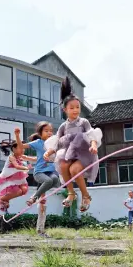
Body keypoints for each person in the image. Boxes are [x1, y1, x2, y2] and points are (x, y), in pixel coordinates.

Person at [44, 77, 102, 212]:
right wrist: (49, 152)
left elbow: (91, 135)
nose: (75, 110)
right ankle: (71, 193)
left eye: (78, 107)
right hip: (69, 154)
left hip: (83, 153)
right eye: (72, 108)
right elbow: (57, 142)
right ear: (65, 109)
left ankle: (86, 196)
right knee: (63, 165)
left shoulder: (83, 122)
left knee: (74, 170)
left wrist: (93, 145)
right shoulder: (63, 127)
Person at [15, 122, 59, 238]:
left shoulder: (54, 144)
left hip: (50, 174)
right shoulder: (38, 143)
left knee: (55, 181)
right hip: (40, 173)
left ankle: (41, 230)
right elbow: (21, 146)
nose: (50, 133)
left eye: (51, 131)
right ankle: (34, 198)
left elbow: (38, 158)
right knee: (44, 199)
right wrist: (17, 136)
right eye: (46, 131)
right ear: (40, 133)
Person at [0, 140, 35, 212]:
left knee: (24, 190)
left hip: (18, 177)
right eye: (20, 148)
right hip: (9, 176)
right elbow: (16, 166)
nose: (23, 150)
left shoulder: (21, 157)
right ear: (14, 149)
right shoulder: (11, 157)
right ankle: (1, 199)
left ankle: (5, 200)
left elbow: (32, 159)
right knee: (18, 191)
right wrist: (26, 168)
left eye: (23, 148)